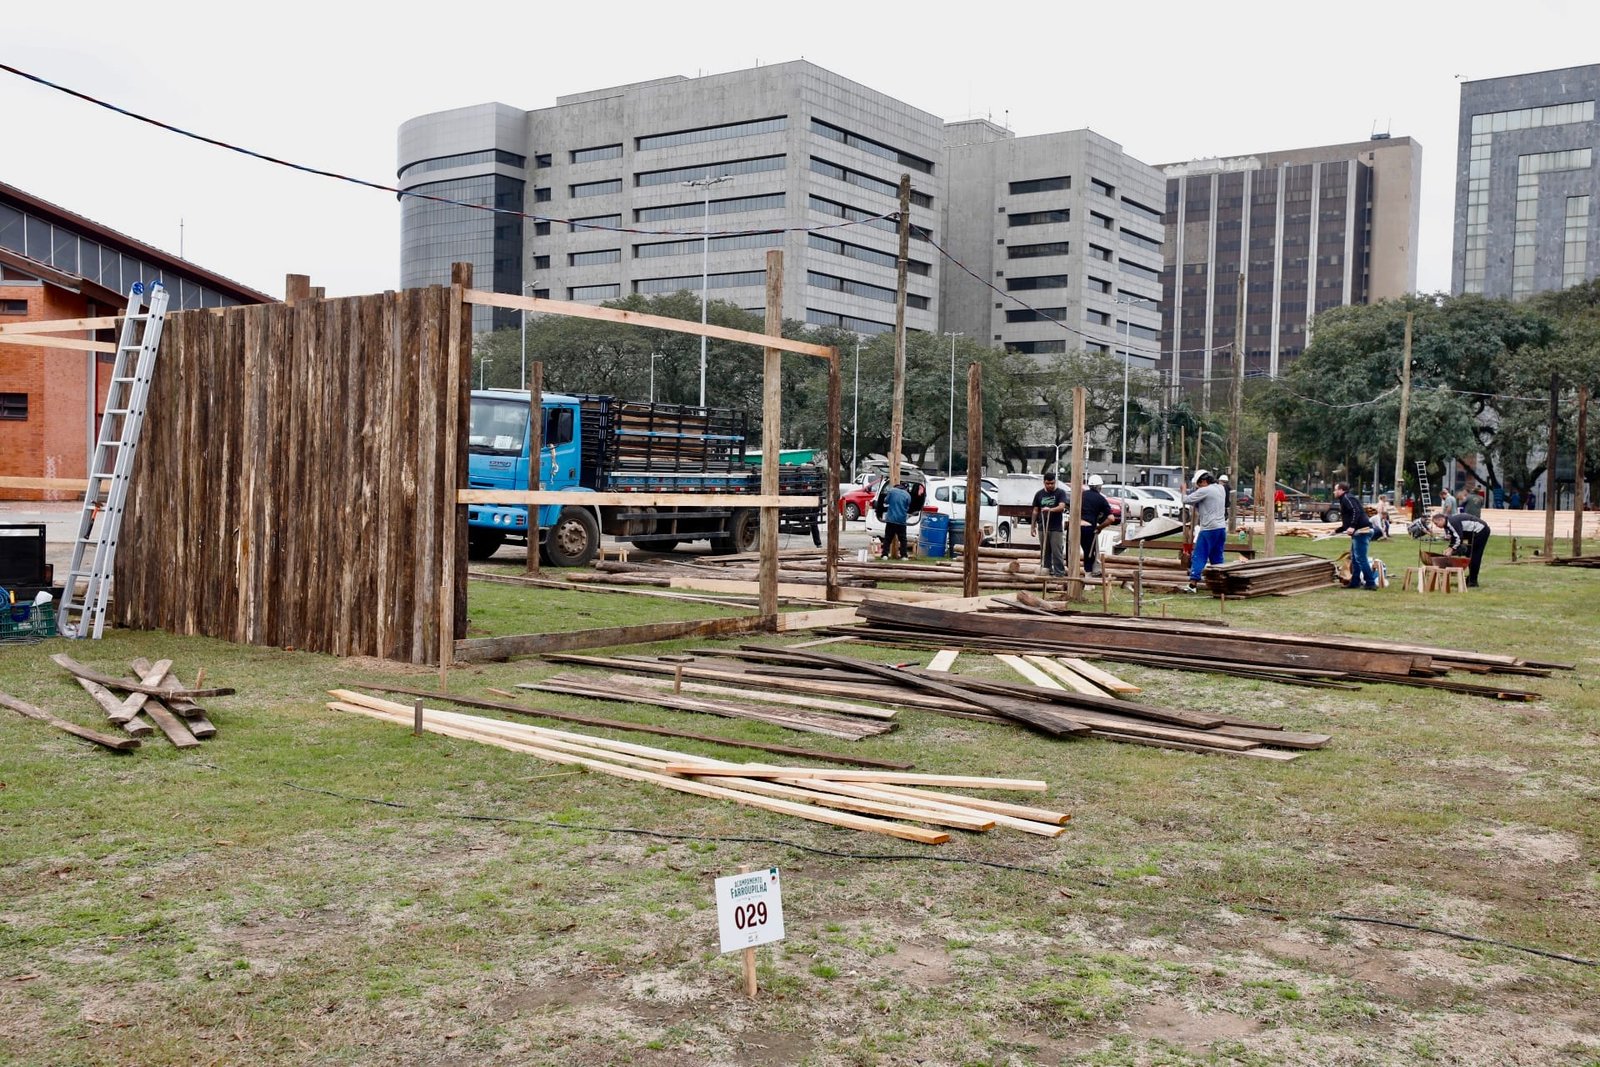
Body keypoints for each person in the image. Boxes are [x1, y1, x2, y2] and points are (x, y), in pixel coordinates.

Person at [1181, 469, 1227, 589]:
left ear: (1204, 481)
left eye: (1199, 484)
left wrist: (1183, 491)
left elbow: (1186, 500)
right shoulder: (1220, 488)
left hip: (1208, 529)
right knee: (1217, 557)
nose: (1199, 487)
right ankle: (1220, 583)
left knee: (1199, 555)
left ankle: (1193, 583)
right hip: (1221, 528)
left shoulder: (1205, 490)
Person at [1332, 482, 1378, 590]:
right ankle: (1355, 582)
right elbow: (1348, 520)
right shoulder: (1345, 499)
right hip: (1359, 531)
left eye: (1335, 489)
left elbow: (1355, 511)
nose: (1334, 492)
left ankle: (1370, 583)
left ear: (1341, 490)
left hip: (1362, 531)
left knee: (1361, 558)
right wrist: (1336, 531)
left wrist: (1352, 526)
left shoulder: (1347, 498)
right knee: (1355, 558)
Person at [1433, 510, 1491, 587]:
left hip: (1481, 531)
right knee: (1469, 554)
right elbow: (1454, 537)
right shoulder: (1448, 523)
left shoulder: (1451, 522)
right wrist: (1449, 548)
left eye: (1436, 523)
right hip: (1473, 533)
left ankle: (1473, 582)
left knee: (1474, 556)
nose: (1436, 526)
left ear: (1441, 519)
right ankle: (1471, 578)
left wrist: (1452, 550)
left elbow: (1459, 538)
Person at [1031, 472, 1069, 577]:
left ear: (1055, 482)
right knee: (1045, 551)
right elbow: (1035, 510)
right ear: (1044, 483)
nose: (1050, 485)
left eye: (1052, 483)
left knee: (1057, 551)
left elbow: (1061, 507)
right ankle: (1046, 571)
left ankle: (1059, 573)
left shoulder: (1060, 493)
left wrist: (1050, 509)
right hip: (1042, 526)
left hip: (1056, 527)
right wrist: (1032, 526)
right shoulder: (1039, 494)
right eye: (1048, 483)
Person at [1080, 474, 1114, 576]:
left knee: (1073, 551)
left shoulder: (1081, 495)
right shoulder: (1101, 499)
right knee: (1089, 552)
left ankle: (1072, 573)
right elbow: (1111, 518)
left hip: (1075, 526)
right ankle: (1088, 575)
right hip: (1089, 527)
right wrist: (1100, 527)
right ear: (1099, 486)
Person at [880, 481, 912, 560]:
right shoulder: (907, 495)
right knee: (903, 539)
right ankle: (904, 556)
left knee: (887, 538)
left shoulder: (892, 491)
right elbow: (907, 507)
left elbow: (886, 501)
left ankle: (885, 555)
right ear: (906, 488)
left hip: (891, 519)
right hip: (901, 521)